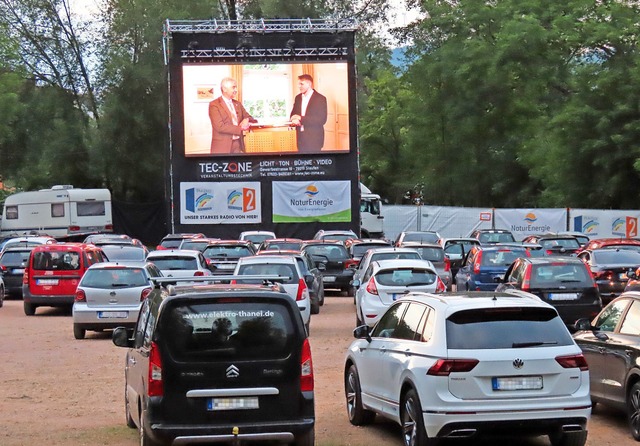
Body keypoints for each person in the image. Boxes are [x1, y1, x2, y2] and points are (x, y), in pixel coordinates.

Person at [208, 77, 254, 154]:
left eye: (236, 87)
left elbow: (249, 117)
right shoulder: (214, 105)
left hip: (238, 144)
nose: (236, 90)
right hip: (222, 146)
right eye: (233, 87)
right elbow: (220, 127)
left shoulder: (237, 104)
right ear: (224, 89)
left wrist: (246, 119)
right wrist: (240, 128)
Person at [290, 74, 327, 153]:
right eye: (298, 84)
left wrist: (300, 118)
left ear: (309, 84)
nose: (299, 86)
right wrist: (294, 118)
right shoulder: (298, 98)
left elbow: (321, 120)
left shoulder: (320, 99)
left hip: (314, 138)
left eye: (301, 84)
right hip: (300, 137)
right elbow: (293, 113)